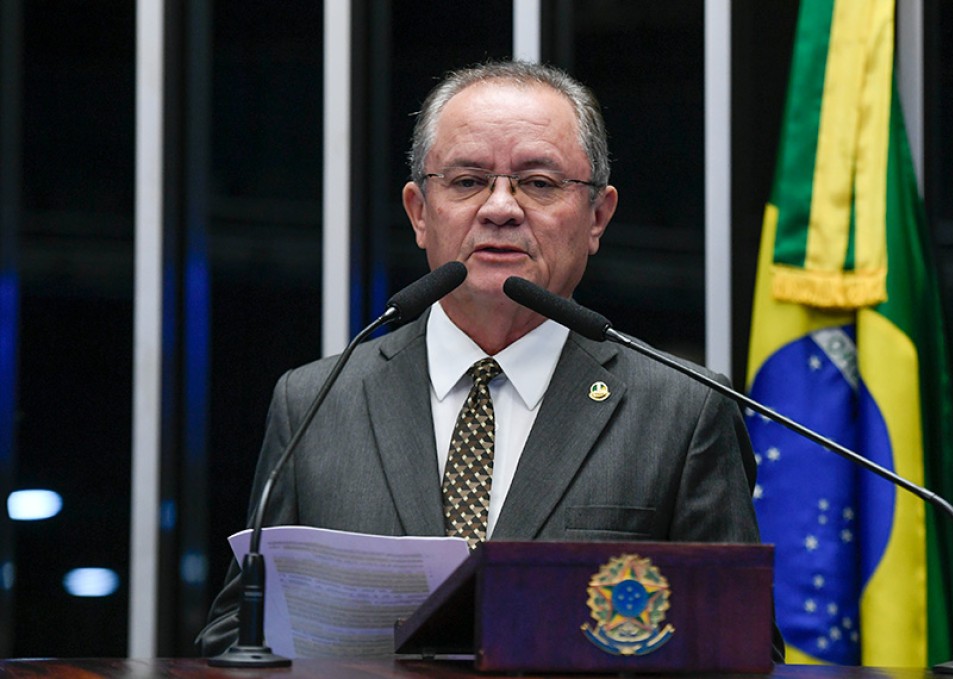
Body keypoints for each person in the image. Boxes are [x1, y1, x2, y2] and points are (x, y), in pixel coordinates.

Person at [197, 60, 778, 659]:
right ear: (419, 212)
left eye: (539, 183)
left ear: (597, 217)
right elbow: (239, 639)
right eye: (468, 181)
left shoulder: (682, 412)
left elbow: (741, 647)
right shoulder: (316, 401)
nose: (500, 208)